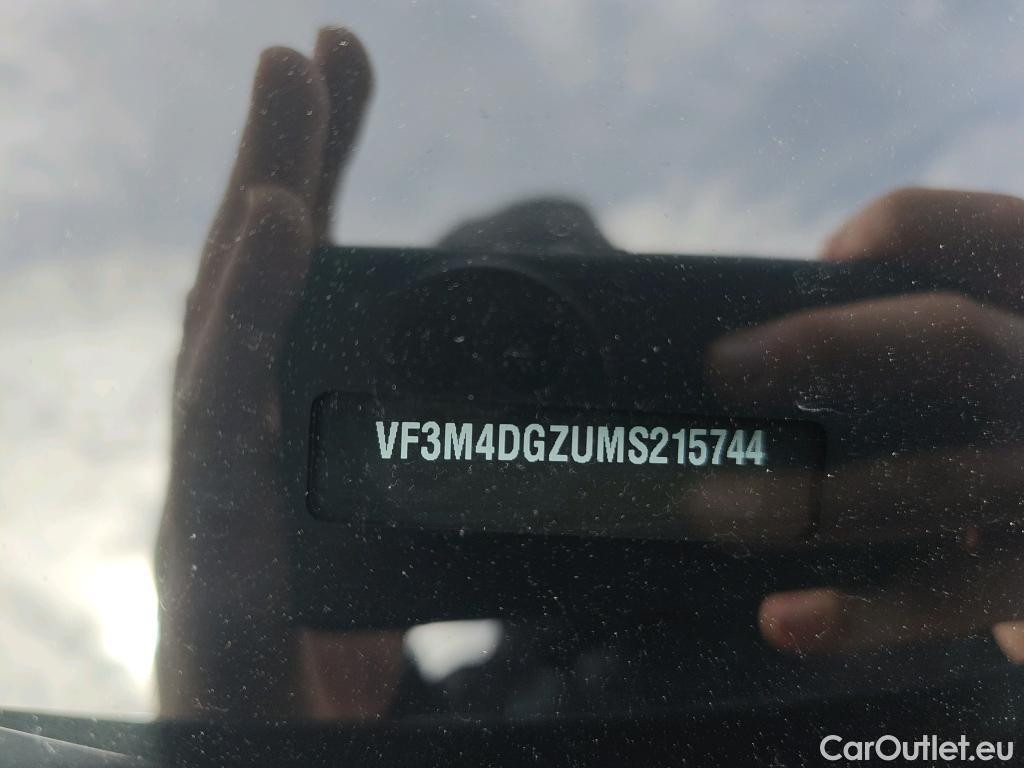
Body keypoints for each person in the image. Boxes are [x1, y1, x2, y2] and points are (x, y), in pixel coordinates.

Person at [155, 26, 1024, 720]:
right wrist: (262, 735)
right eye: (460, 367)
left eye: (556, 352)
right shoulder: (430, 722)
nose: (524, 410)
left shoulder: (935, 588)